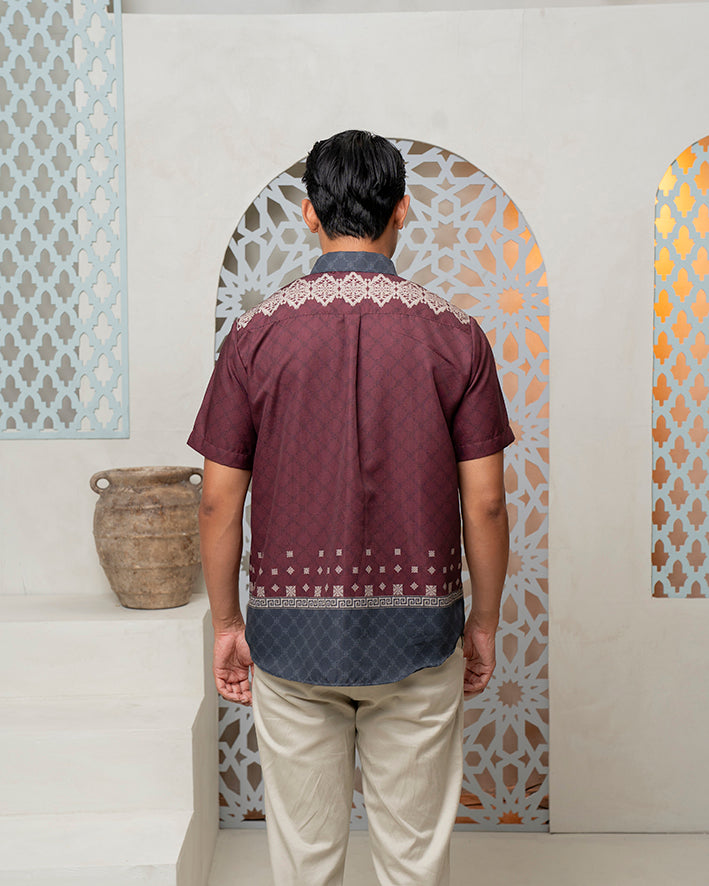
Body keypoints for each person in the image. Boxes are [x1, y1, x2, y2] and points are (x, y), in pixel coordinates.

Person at [188, 130, 514, 886]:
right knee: (413, 862)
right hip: (421, 636)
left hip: (290, 638)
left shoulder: (254, 336)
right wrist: (485, 622)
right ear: (403, 210)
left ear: (309, 214)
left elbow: (215, 502)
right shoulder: (457, 336)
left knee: (305, 863)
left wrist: (229, 625)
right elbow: (488, 504)